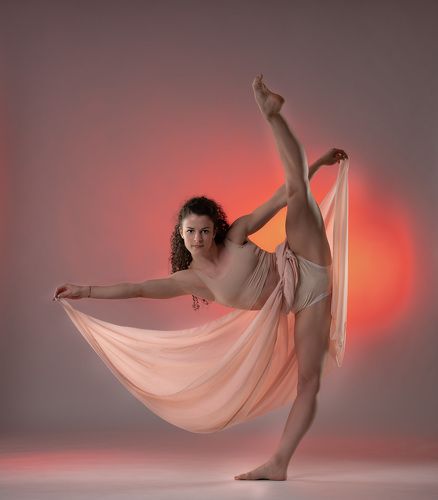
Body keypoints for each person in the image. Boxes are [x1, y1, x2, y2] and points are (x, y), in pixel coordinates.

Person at [53, 74, 349, 481]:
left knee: (297, 189)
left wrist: (315, 166)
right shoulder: (192, 281)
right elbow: (137, 289)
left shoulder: (237, 236)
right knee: (308, 382)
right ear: (181, 234)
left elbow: (282, 196)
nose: (198, 238)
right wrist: (84, 290)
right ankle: (279, 464)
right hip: (306, 303)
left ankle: (272, 114)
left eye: (205, 230)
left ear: (215, 230)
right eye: (190, 231)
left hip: (306, 258)